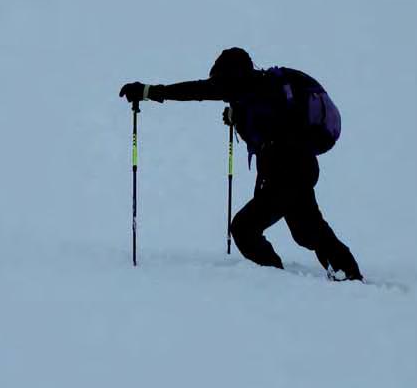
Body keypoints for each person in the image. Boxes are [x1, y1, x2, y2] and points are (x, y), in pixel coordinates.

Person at [119, 47, 363, 281]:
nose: (219, 87)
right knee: (305, 230)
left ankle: (275, 278)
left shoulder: (251, 89)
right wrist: (239, 116)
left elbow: (195, 91)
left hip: (287, 173)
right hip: (296, 169)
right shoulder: (260, 87)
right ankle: (345, 272)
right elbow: (268, 120)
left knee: (246, 228)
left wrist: (149, 91)